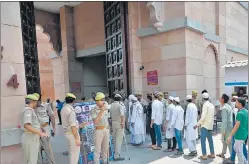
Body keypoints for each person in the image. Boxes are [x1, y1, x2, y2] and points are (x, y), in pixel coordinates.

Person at [21, 94, 48, 164]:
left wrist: (40, 128)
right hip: (30, 137)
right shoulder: (28, 110)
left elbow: (33, 123)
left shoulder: (30, 110)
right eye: (36, 102)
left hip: (32, 137)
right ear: (33, 102)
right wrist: (40, 133)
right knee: (31, 160)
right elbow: (27, 125)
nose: (36, 104)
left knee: (32, 159)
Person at [223, 96, 248, 164]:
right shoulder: (246, 112)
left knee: (239, 152)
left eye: (236, 102)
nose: (235, 103)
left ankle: (243, 162)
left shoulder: (239, 113)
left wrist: (230, 136)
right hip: (244, 134)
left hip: (239, 135)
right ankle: (245, 161)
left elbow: (236, 126)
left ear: (240, 104)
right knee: (236, 148)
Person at [33, 93, 56, 164]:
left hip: (45, 128)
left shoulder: (46, 105)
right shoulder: (31, 107)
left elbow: (52, 116)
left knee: (47, 148)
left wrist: (54, 127)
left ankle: (50, 162)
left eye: (37, 100)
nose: (36, 102)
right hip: (35, 130)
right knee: (37, 149)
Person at [194, 92, 215, 160]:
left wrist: (197, 124)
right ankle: (212, 153)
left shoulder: (205, 105)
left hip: (205, 125)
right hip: (210, 125)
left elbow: (203, 117)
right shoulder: (211, 105)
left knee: (203, 141)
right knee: (210, 140)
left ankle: (204, 155)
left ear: (203, 99)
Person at [90, 92, 110, 164]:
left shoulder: (105, 106)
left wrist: (104, 107)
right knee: (97, 149)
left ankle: (105, 162)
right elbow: (95, 121)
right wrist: (101, 111)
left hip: (106, 129)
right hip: (98, 130)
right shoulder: (93, 110)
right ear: (97, 101)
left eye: (104, 99)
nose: (103, 101)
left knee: (105, 148)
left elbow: (109, 106)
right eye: (102, 100)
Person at [61, 93, 81, 164]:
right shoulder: (71, 111)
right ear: (73, 101)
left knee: (71, 152)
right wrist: (77, 138)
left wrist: (79, 125)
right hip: (72, 134)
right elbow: (73, 126)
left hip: (67, 133)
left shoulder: (63, 108)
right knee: (75, 154)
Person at [109, 94, 125, 161]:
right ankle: (116, 156)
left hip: (113, 123)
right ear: (120, 99)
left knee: (114, 139)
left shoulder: (110, 105)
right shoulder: (120, 105)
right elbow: (122, 115)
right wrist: (122, 123)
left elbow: (109, 116)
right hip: (119, 123)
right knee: (119, 140)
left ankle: (114, 153)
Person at [217, 94, 233, 159]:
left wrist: (223, 130)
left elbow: (224, 120)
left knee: (228, 142)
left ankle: (232, 157)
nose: (219, 98)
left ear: (223, 99)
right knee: (224, 141)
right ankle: (222, 153)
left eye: (220, 97)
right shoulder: (228, 106)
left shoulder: (224, 108)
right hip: (230, 126)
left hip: (227, 127)